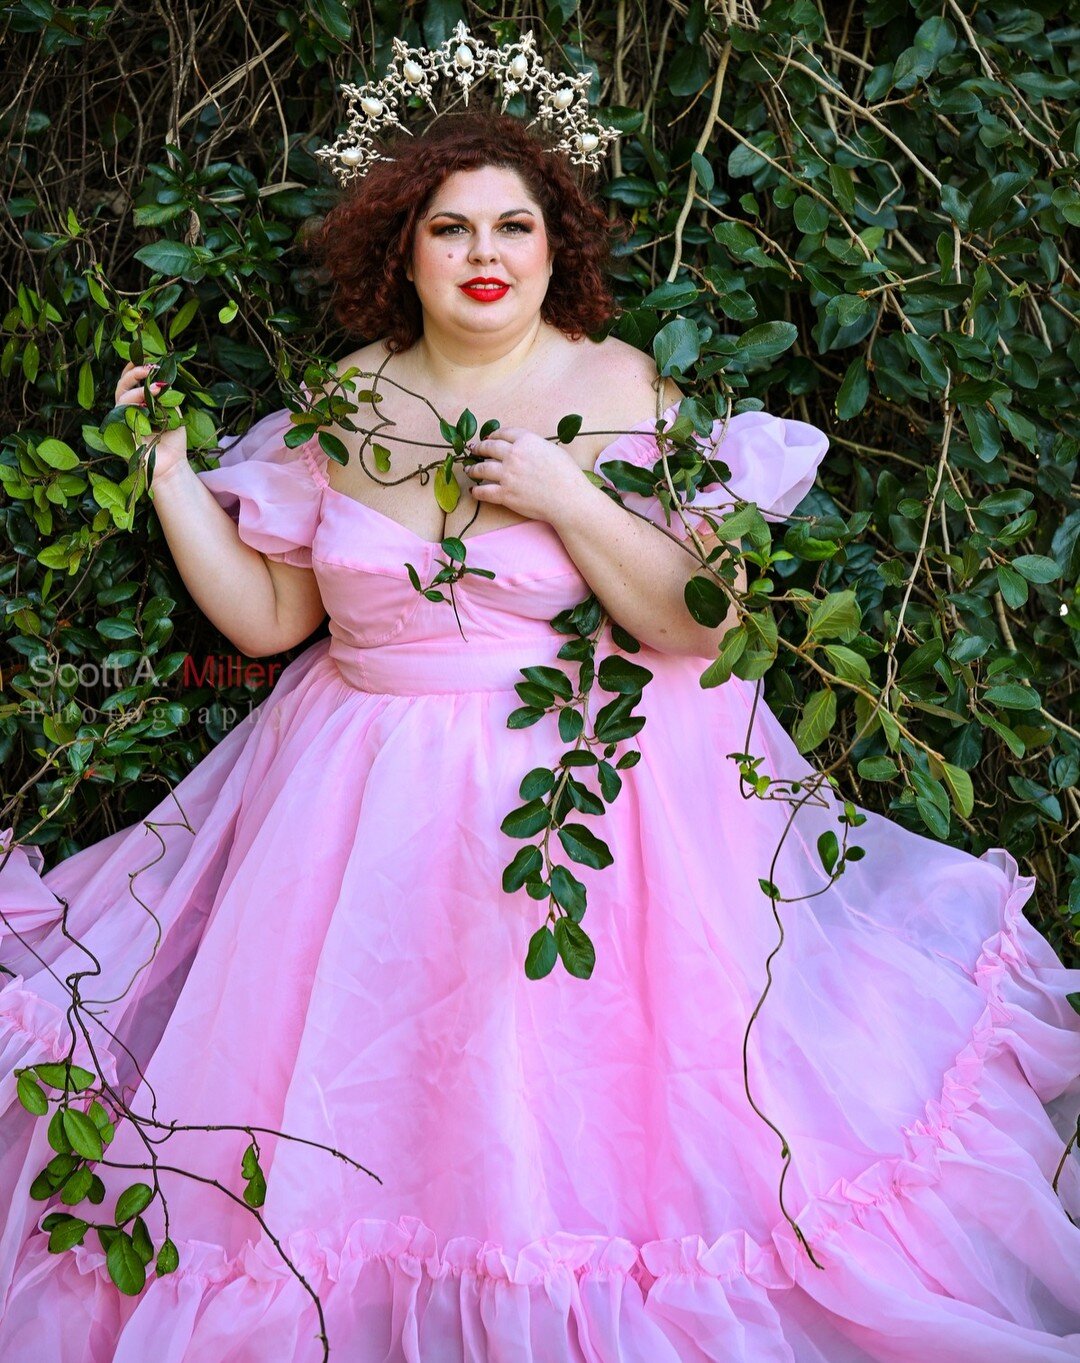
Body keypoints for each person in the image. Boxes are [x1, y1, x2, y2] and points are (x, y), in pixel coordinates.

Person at [1, 96, 1079, 1363]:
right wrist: (174, 474)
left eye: (513, 223)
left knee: (578, 1120)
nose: (482, 252)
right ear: (401, 249)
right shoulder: (344, 402)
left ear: (556, 245)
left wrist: (570, 493)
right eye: (449, 227)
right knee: (373, 1103)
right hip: (355, 811)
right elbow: (271, 620)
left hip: (587, 804)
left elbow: (695, 622)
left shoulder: (614, 384)